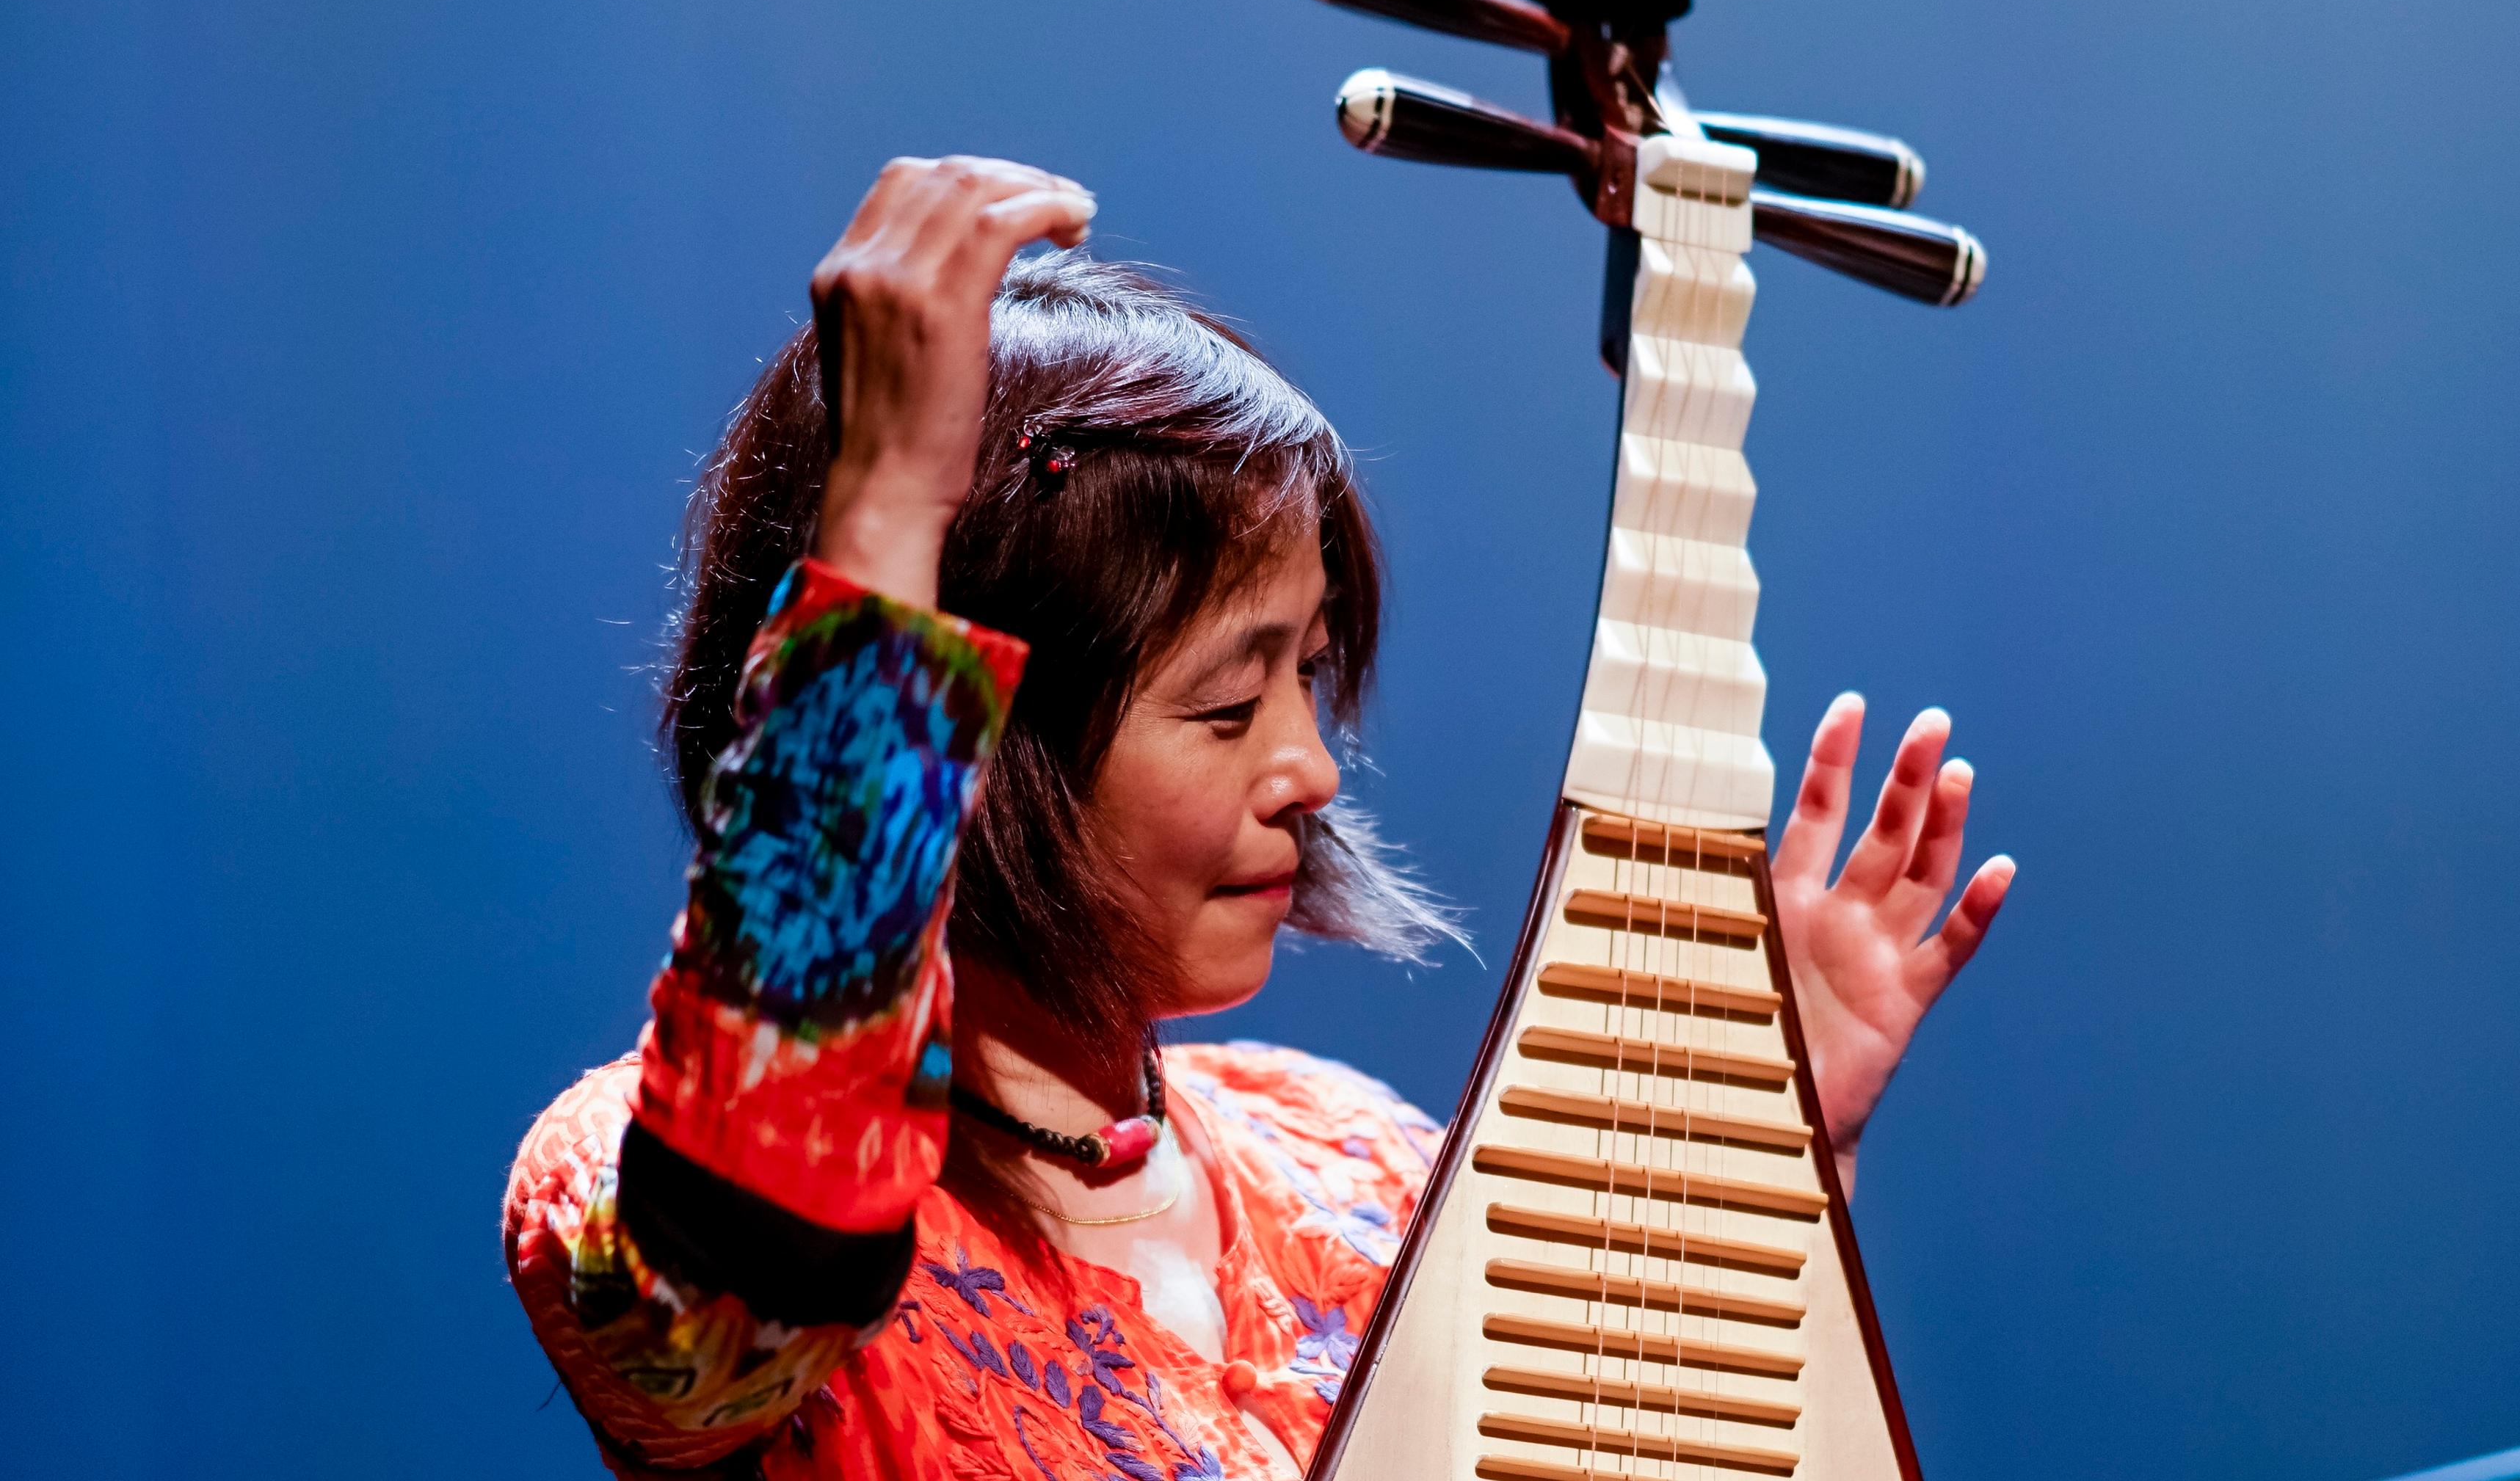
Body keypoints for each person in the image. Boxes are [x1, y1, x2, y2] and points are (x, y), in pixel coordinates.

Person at [504, 156, 2017, 1480]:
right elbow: (752, 1253)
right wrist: (892, 507)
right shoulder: (627, 1180)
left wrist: (1751, 1180)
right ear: (982, 735)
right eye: (1228, 707)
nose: (1310, 767)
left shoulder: (1353, 1159)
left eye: (1309, 674)